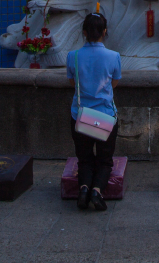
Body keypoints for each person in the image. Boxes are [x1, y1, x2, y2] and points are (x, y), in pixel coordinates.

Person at [66, 12, 121, 211]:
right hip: (105, 116)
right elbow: (114, 84)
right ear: (104, 32)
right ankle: (97, 191)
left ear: (84, 32)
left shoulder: (73, 56)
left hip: (80, 116)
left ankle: (83, 190)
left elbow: (73, 83)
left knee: (85, 159)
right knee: (105, 160)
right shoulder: (114, 56)